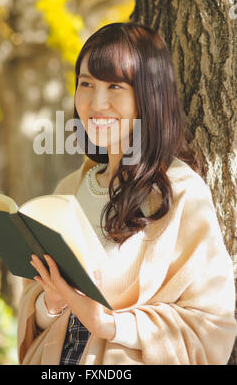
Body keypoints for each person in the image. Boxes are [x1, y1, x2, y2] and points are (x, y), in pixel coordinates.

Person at [17, 22, 237, 365]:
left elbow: (211, 322)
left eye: (115, 86)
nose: (96, 102)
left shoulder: (180, 192)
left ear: (149, 95)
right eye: (86, 83)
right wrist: (51, 303)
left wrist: (109, 324)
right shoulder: (67, 191)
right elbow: (36, 314)